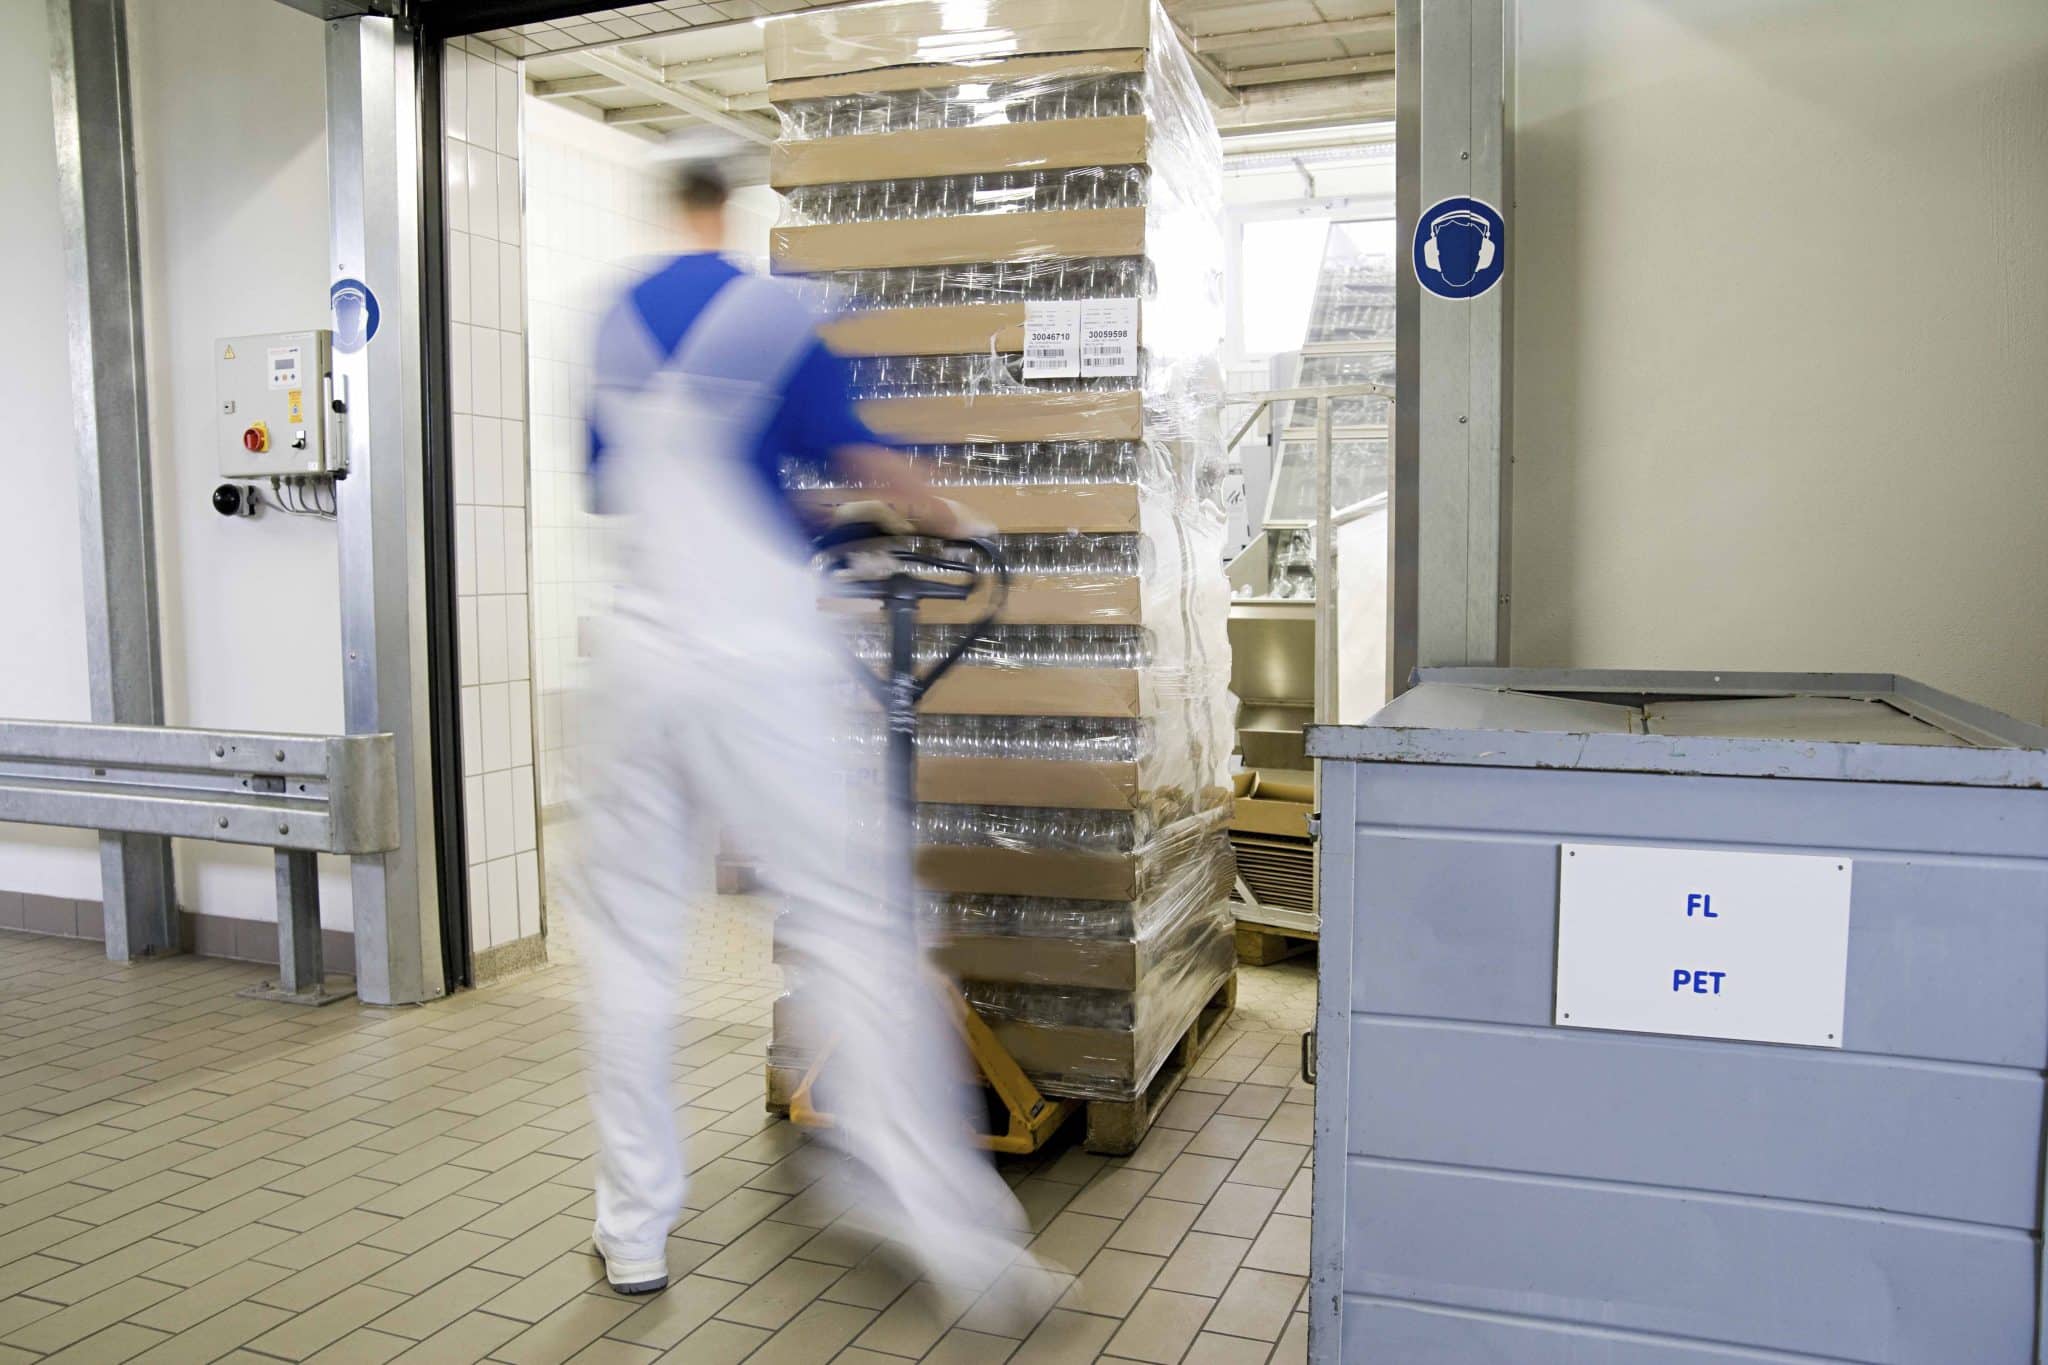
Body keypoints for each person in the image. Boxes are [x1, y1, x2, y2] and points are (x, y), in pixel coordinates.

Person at [574, 150, 1030, 1298]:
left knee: (628, 949)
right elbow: (861, 457)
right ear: (727, 211)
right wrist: (942, 508)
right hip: (752, 661)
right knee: (852, 923)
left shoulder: (611, 322)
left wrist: (798, 503)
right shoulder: (777, 310)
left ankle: (631, 1230)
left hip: (632, 659)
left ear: (662, 207)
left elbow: (622, 483)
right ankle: (951, 1231)